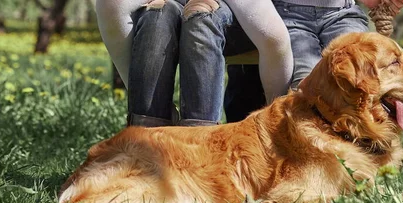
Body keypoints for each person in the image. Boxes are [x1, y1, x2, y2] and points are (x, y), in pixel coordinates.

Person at [95, 0, 294, 127]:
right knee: (157, 19)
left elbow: (274, 40)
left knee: (200, 20)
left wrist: (275, 117)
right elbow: (111, 8)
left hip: (233, 24)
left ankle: (200, 140)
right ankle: (145, 136)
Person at [224, 0, 403, 122]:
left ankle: (364, 159)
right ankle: (312, 158)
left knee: (363, 75)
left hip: (343, 12)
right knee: (308, 87)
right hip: (288, 13)